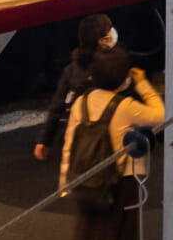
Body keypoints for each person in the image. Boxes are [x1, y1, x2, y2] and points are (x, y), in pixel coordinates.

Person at [58, 48, 163, 240]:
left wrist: (65, 181)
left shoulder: (81, 102)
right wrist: (143, 83)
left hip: (84, 179)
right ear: (123, 79)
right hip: (121, 183)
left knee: (86, 238)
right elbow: (160, 115)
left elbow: (70, 143)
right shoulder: (126, 106)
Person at [35, 13, 119, 163]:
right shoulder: (113, 67)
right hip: (106, 140)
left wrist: (44, 141)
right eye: (109, 30)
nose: (113, 32)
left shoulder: (72, 68)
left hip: (75, 137)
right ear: (102, 40)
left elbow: (57, 106)